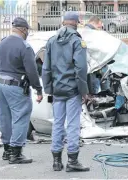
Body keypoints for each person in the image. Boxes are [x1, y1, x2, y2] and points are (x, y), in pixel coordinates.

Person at [42, 11, 90, 172]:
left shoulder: (51, 41)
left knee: (57, 123)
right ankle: (72, 161)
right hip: (72, 90)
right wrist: (84, 91)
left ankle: (56, 161)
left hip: (57, 90)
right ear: (76, 23)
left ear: (63, 22)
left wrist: (49, 89)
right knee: (73, 125)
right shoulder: (77, 41)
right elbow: (81, 68)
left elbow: (46, 68)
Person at [0, 17, 43, 164]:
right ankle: (16, 153)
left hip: (0, 85)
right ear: (24, 30)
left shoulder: (1, 44)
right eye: (27, 30)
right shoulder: (24, 46)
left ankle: (7, 150)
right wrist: (38, 89)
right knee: (21, 117)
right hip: (16, 86)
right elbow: (32, 71)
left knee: (5, 117)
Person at [85, 16, 110, 94]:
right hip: (94, 67)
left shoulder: (86, 31)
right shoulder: (90, 32)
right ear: (93, 23)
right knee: (95, 90)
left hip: (94, 66)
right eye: (98, 27)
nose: (99, 29)